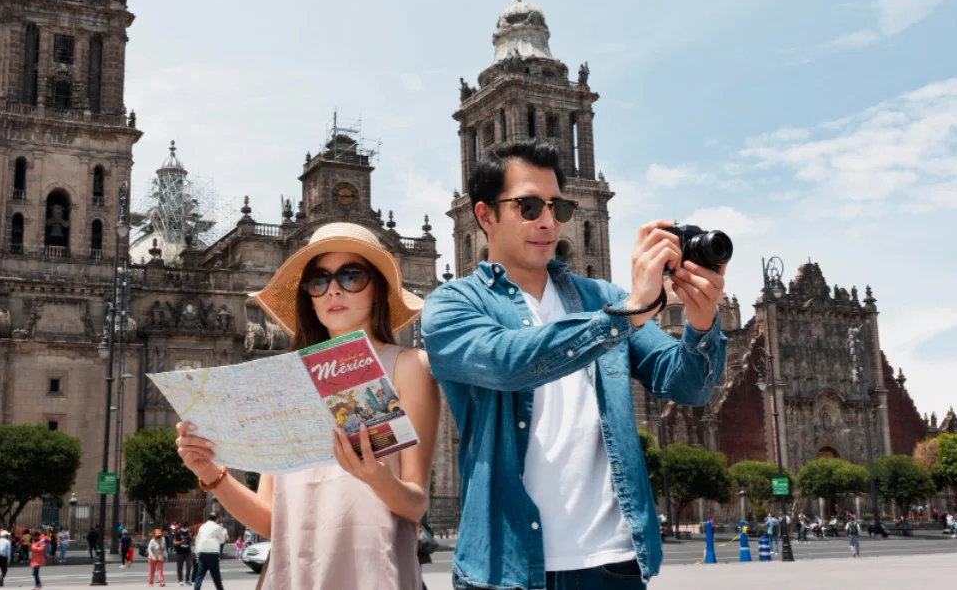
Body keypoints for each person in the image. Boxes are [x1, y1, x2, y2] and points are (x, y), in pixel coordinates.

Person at [419, 139, 729, 588]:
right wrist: (627, 314)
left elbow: (688, 387)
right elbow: (510, 362)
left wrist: (702, 319)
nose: (547, 221)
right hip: (506, 570)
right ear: (485, 215)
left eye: (557, 208)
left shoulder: (601, 298)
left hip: (614, 564)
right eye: (528, 206)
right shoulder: (453, 305)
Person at [175, 223, 442, 590]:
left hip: (375, 576)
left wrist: (377, 478)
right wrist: (211, 474)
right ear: (310, 298)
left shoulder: (410, 366)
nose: (333, 288)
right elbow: (271, 521)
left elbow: (415, 503)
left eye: (351, 276)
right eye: (319, 280)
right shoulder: (288, 381)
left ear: (378, 288)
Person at [191, 515, 227, 590]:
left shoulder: (202, 527)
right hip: (212, 553)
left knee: (200, 574)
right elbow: (222, 539)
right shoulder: (217, 527)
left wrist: (196, 552)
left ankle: (196, 588)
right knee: (215, 575)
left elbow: (197, 539)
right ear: (216, 519)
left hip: (202, 552)